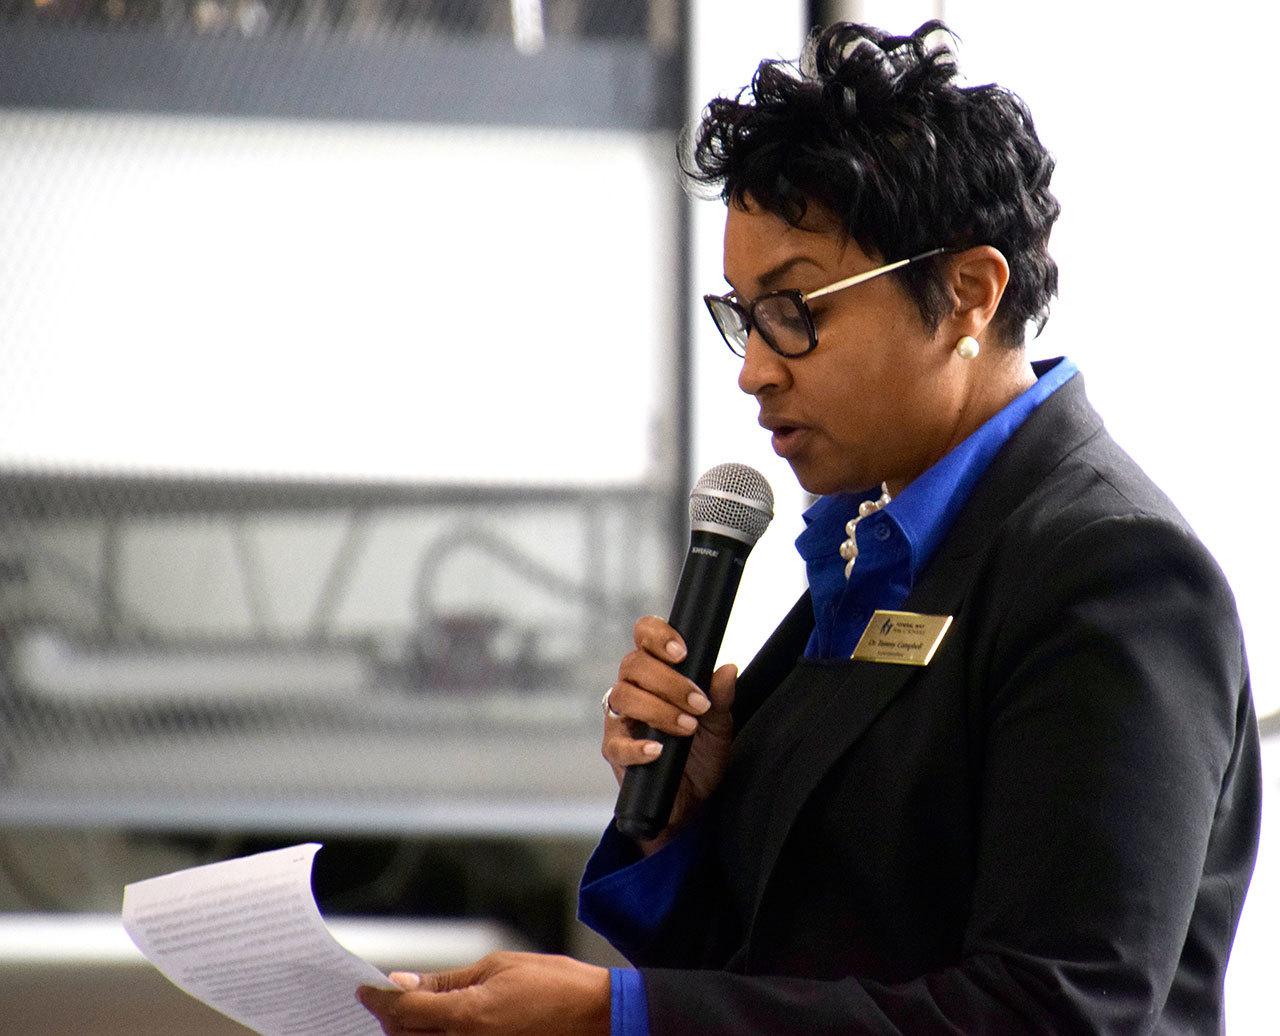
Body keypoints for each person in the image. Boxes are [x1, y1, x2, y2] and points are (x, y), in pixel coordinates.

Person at [358, 20, 1261, 1034]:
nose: (754, 369)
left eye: (794, 309)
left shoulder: (1112, 573)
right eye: (744, 316)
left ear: (968, 293)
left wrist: (618, 1015)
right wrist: (687, 821)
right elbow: (797, 954)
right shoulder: (874, 547)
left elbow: (1055, 1011)